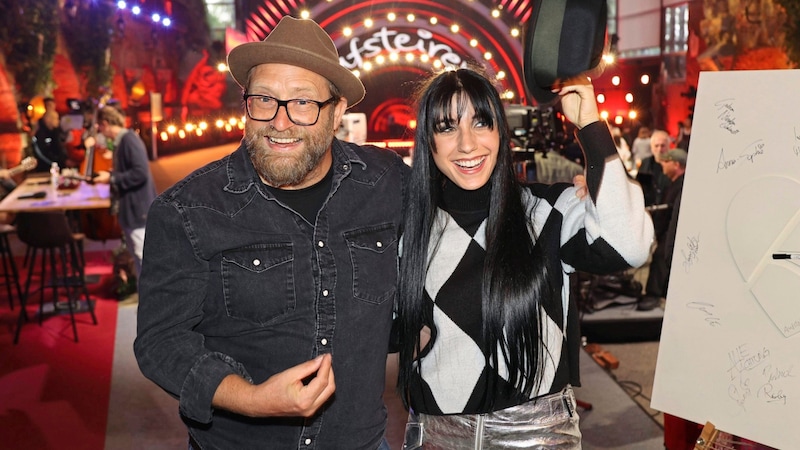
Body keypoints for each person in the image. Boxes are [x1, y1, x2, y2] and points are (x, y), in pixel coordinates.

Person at [133, 16, 408, 449]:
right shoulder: (187, 210)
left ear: (337, 113)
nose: (280, 122)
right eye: (264, 99)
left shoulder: (387, 182)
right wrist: (252, 399)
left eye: (302, 102)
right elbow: (160, 342)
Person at [396, 68, 654, 448]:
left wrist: (590, 125)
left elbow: (630, 245)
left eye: (481, 122)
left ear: (501, 131)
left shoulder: (549, 209)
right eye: (447, 127)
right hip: (435, 436)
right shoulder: (409, 229)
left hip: (536, 436)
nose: (467, 144)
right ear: (428, 140)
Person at [88, 105, 156, 278]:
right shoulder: (125, 140)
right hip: (134, 211)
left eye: (100, 128)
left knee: (146, 262)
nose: (100, 133)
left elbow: (140, 173)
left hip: (138, 211)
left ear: (105, 124)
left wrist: (111, 178)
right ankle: (146, 301)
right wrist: (110, 176)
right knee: (141, 261)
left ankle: (154, 302)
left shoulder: (129, 140)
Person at [638, 148, 687, 311]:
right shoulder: (674, 184)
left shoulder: (683, 185)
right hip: (668, 230)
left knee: (661, 256)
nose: (663, 166)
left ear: (676, 164)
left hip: (675, 232)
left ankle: (654, 294)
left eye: (666, 162)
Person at [635, 129, 671, 208]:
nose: (659, 149)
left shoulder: (673, 165)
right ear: (651, 147)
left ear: (669, 146)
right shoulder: (645, 163)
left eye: (663, 145)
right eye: (656, 146)